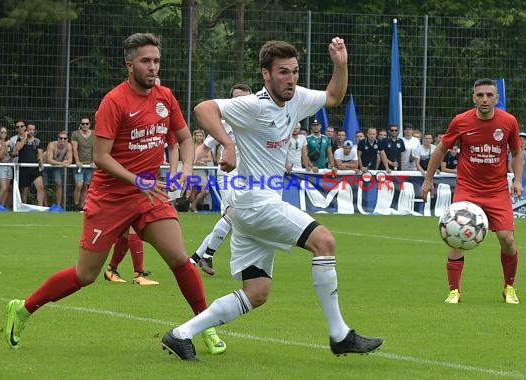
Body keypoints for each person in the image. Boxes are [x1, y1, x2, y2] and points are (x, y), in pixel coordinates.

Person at [161, 38, 383, 361]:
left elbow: (334, 96)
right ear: (266, 75)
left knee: (257, 292)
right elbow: (202, 108)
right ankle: (340, 335)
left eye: (294, 71)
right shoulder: (253, 104)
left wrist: (341, 64)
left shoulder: (297, 98)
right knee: (325, 242)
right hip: (256, 202)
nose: (291, 79)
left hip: (252, 209)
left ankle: (180, 334)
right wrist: (228, 143)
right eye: (283, 72)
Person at [5, 32, 225, 356]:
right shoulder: (114, 101)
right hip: (110, 198)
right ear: (129, 65)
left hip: (148, 195)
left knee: (179, 257)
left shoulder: (165, 97)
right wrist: (138, 180)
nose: (153, 67)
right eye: (146, 61)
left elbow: (185, 139)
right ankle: (22, 309)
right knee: (85, 275)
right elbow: (101, 157)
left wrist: (187, 168)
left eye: (157, 61)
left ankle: (203, 325)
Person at [421, 78, 523, 305]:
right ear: (473, 97)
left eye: (489, 95)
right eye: (480, 95)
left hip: (497, 190)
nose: (485, 99)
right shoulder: (461, 121)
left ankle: (509, 287)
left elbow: (517, 152)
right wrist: (428, 180)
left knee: (507, 239)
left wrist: (517, 180)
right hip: (468, 189)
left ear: (497, 98)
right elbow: (440, 150)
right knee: (455, 238)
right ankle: (454, 291)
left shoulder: (509, 122)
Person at [190, 83, 252, 276]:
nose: (239, 102)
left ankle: (195, 258)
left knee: (232, 219)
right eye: (235, 99)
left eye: (243, 98)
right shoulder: (224, 124)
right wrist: (188, 165)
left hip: (247, 177)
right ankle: (208, 254)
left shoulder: (258, 121)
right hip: (227, 174)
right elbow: (205, 148)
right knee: (233, 214)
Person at [14, 123, 45, 206]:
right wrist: (25, 138)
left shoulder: (37, 141)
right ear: (26, 130)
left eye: (33, 130)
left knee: (40, 187)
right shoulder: (20, 139)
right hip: (24, 168)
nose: (32, 131)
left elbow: (40, 153)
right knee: (24, 190)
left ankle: (40, 207)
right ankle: (24, 206)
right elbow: (18, 148)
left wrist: (41, 163)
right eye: (30, 129)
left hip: (34, 168)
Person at [71, 117, 95, 211]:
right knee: (79, 184)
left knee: (86, 186)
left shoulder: (94, 134)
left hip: (90, 165)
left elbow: (96, 148)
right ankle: (76, 206)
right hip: (79, 165)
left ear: (89, 124)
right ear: (80, 124)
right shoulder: (75, 134)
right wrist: (77, 161)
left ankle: (82, 207)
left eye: (87, 124)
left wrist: (94, 161)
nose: (85, 125)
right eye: (83, 124)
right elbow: (74, 148)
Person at [45, 131, 73, 211]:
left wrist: (67, 162)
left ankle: (58, 207)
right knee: (44, 185)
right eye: (61, 138)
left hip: (56, 166)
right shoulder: (52, 144)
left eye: (65, 138)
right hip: (45, 165)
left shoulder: (68, 146)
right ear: (58, 139)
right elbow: (49, 160)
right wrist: (62, 163)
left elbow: (70, 160)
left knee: (59, 183)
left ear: (67, 139)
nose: (63, 140)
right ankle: (44, 206)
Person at [0, 126, 13, 211]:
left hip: (9, 165)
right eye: (2, 132)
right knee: (3, 187)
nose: (4, 134)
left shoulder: (8, 142)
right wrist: (4, 146)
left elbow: (10, 154)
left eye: (5, 132)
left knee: (7, 188)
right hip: (1, 166)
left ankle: (2, 207)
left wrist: (12, 149)